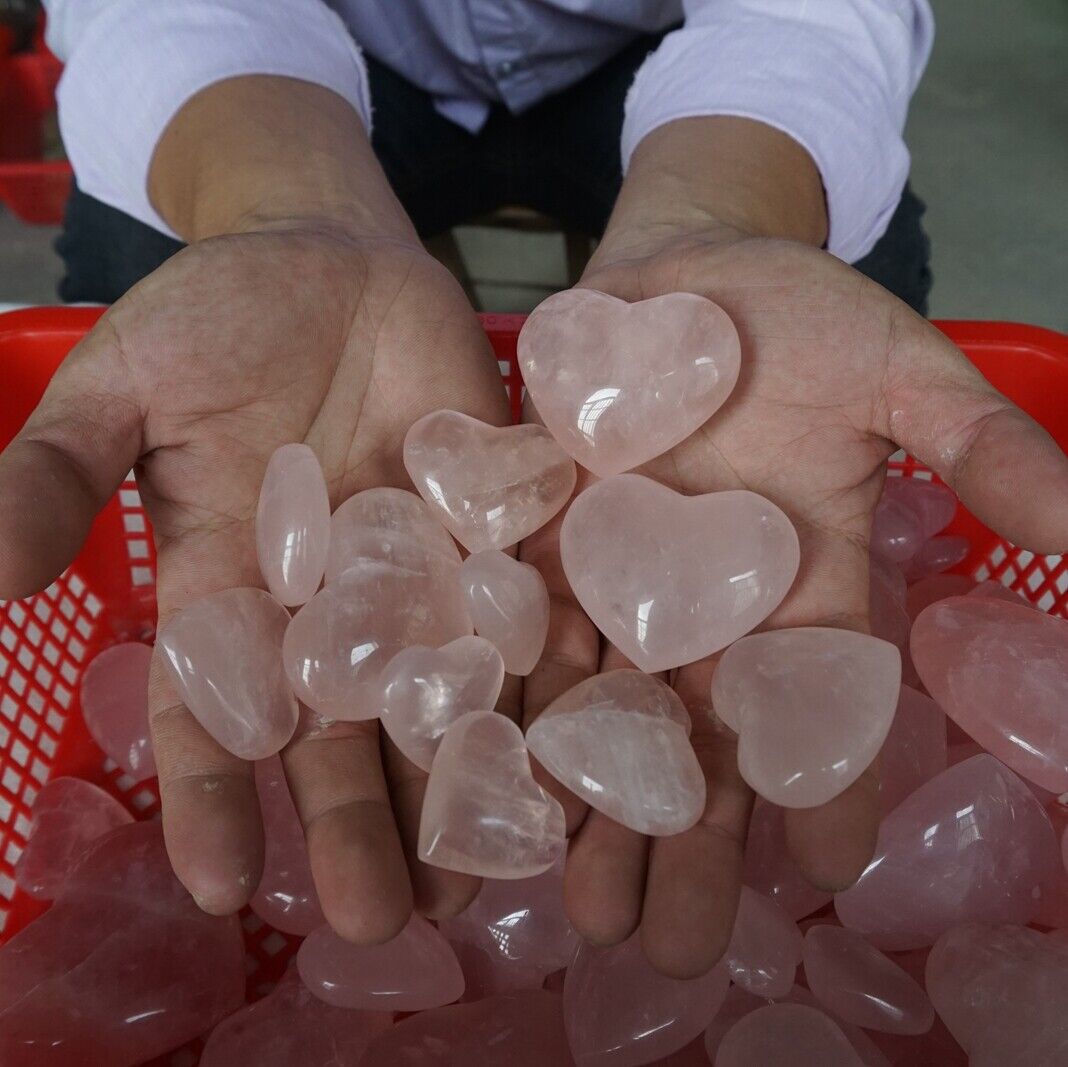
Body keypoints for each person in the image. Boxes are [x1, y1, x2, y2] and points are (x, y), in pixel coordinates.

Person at [1, 0, 1065, 982]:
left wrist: (727, 202)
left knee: (860, 294)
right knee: (131, 266)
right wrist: (283, 205)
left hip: (669, 58)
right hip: (296, 65)